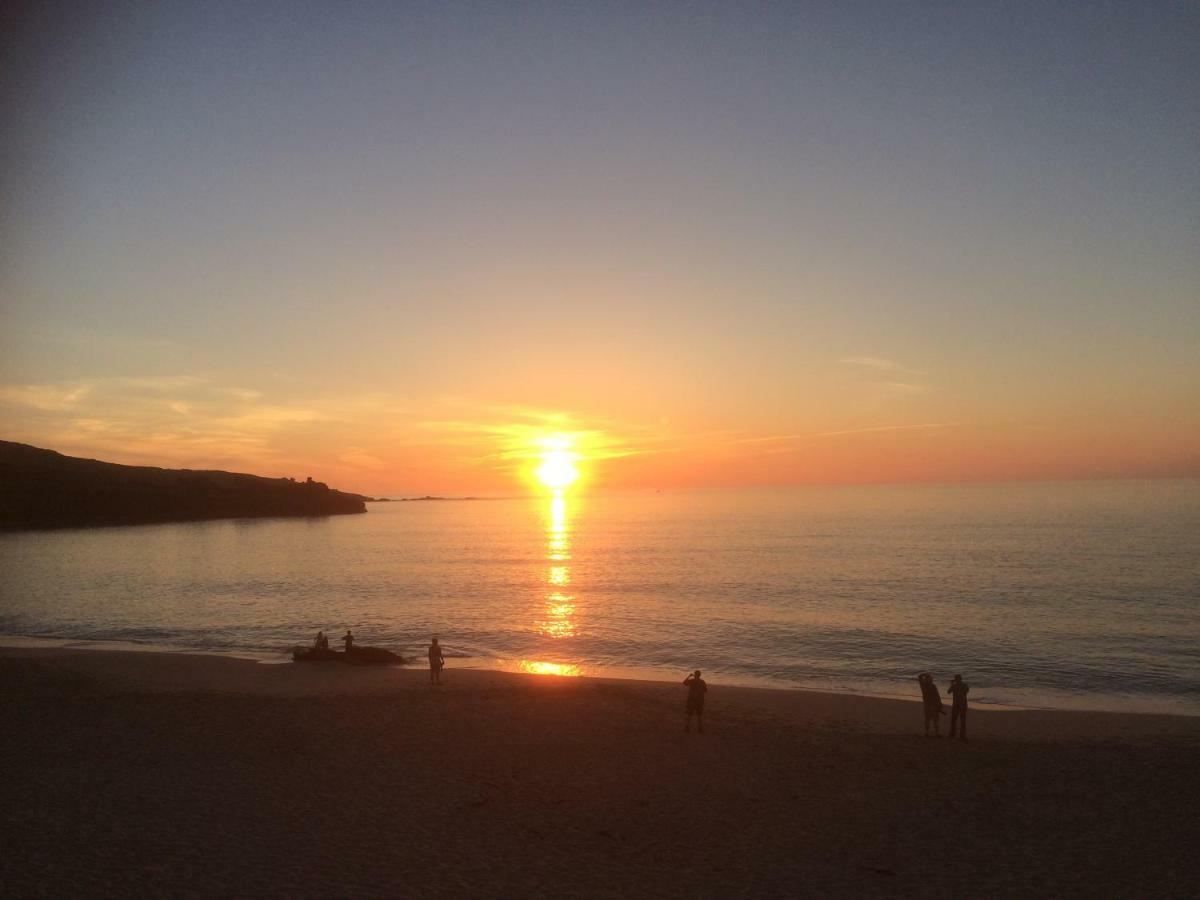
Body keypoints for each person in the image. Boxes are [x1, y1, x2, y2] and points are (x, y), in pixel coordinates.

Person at [917, 672, 944, 737]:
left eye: (931, 679)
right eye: (930, 679)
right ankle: (930, 733)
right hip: (929, 705)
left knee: (933, 719)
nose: (931, 680)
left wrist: (940, 703)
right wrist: (926, 674)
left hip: (932, 705)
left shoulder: (927, 685)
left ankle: (933, 733)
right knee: (930, 719)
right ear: (928, 679)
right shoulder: (925, 685)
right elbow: (919, 677)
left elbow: (937, 695)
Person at [947, 674, 969, 740]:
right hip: (963, 704)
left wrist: (951, 684)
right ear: (961, 679)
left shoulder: (954, 686)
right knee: (963, 720)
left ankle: (952, 734)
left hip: (956, 704)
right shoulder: (965, 685)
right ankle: (962, 735)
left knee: (953, 720)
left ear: (956, 679)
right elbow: (966, 691)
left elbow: (948, 692)